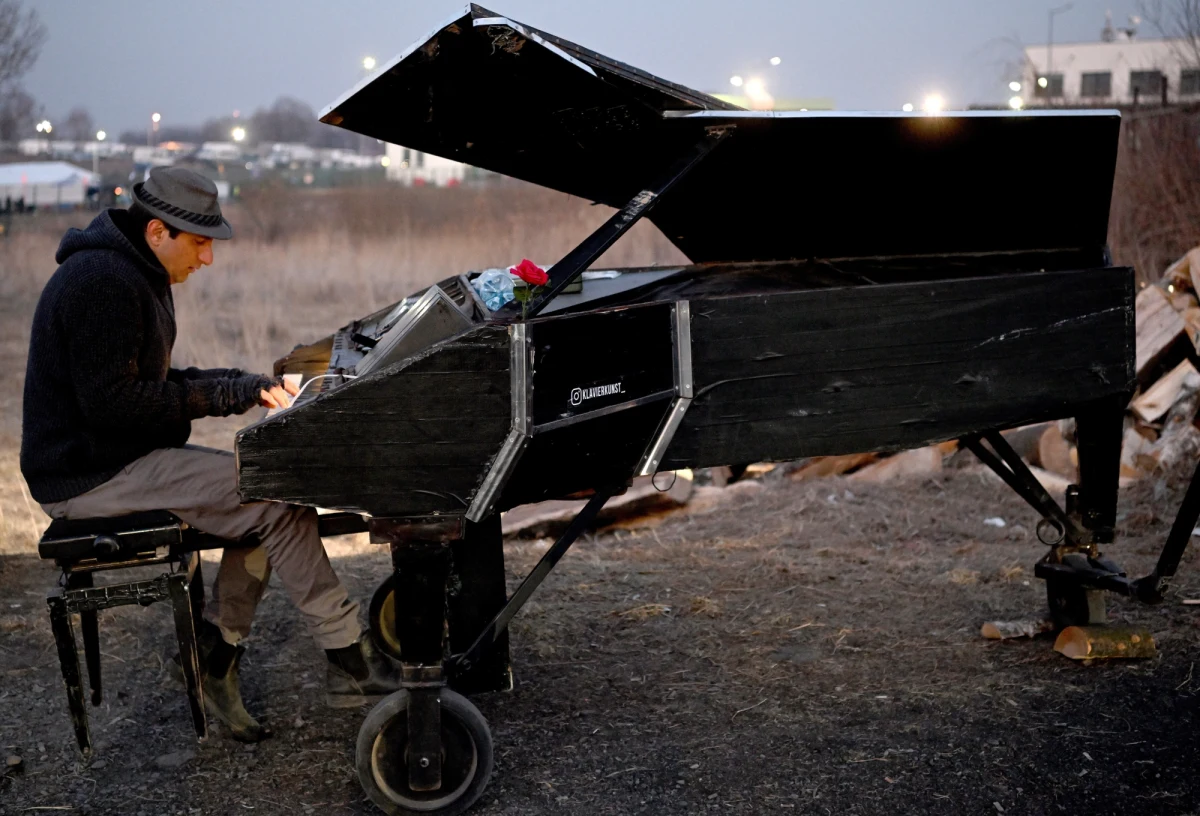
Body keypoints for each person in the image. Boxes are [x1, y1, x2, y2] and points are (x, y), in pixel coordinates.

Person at [20, 166, 400, 742]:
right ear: (156, 232)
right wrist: (223, 394)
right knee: (275, 499)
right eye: (199, 243)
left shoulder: (131, 272)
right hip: (86, 473)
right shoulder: (100, 280)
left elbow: (152, 380)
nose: (207, 258)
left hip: (117, 457)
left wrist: (242, 384)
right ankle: (349, 661)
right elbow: (113, 404)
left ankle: (217, 661)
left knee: (263, 498)